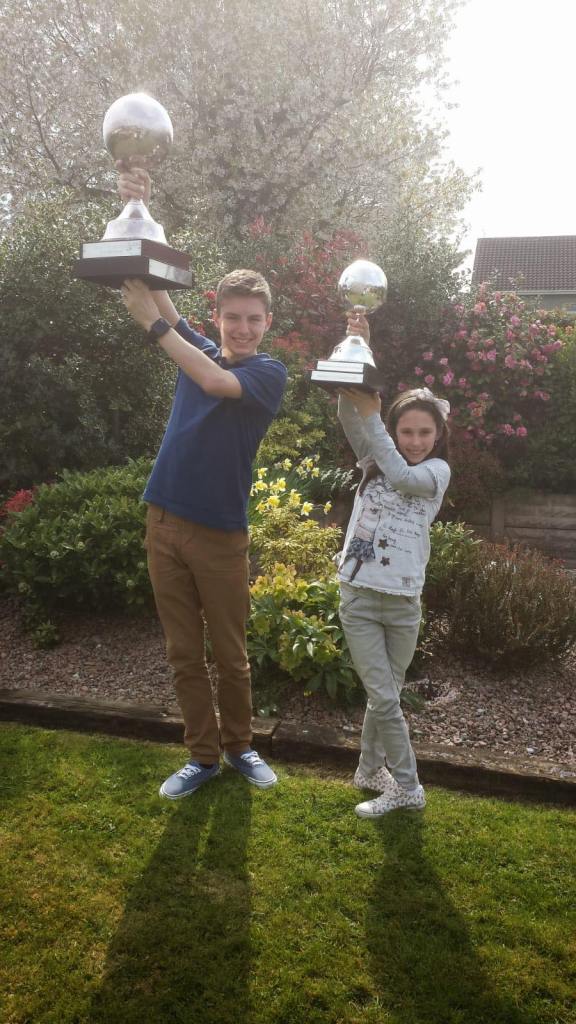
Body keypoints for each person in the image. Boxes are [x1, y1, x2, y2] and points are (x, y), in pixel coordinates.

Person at [117, 166, 287, 799]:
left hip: (221, 534)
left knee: (232, 656)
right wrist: (139, 213)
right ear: (217, 316)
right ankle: (203, 756)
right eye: (232, 317)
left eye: (253, 319)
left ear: (267, 322)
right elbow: (163, 301)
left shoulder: (268, 375)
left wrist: (157, 328)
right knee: (184, 654)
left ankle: (241, 747)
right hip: (163, 520)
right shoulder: (200, 347)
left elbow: (213, 380)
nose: (241, 328)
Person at [337, 310, 450, 818]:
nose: (414, 440)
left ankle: (367, 769)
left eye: (424, 432)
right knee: (383, 697)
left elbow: (404, 477)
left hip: (404, 602)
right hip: (360, 598)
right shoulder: (373, 461)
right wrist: (358, 347)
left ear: (436, 436)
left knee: (384, 696)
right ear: (394, 430)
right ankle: (407, 786)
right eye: (405, 431)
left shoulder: (435, 474)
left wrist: (377, 409)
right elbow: (349, 414)